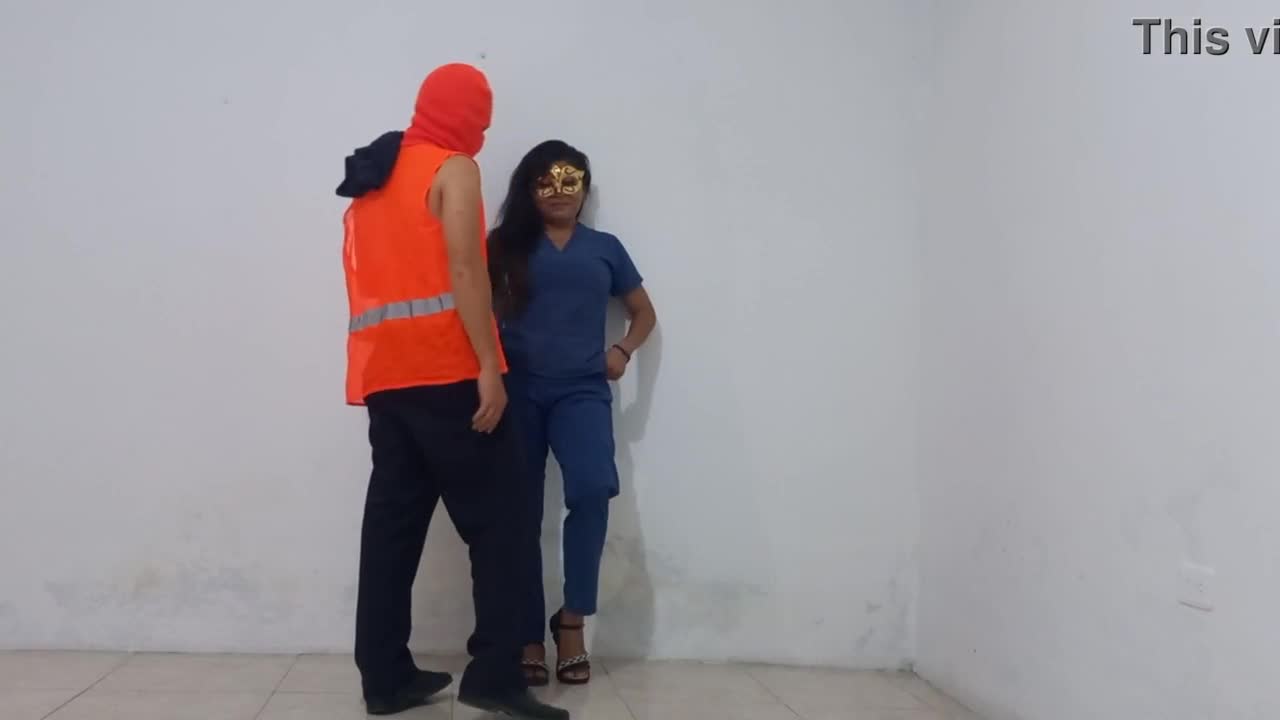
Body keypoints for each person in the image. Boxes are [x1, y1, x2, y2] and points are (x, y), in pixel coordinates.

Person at [337, 65, 569, 719]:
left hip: (386, 378)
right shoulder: (452, 167)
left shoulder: (375, 179)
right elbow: (465, 268)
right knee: (503, 525)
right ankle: (494, 676)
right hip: (449, 375)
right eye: (481, 119)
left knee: (391, 531)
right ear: (462, 115)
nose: (483, 133)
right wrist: (489, 364)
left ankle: (384, 678)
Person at [488, 141, 658, 686]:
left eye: (570, 180)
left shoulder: (605, 248)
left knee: (591, 490)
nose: (559, 191)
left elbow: (643, 311)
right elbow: (473, 311)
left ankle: (571, 622)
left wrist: (622, 350)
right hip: (517, 390)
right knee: (519, 511)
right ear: (528, 188)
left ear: (585, 187)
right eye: (545, 180)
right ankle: (526, 635)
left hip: (582, 391)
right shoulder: (504, 245)